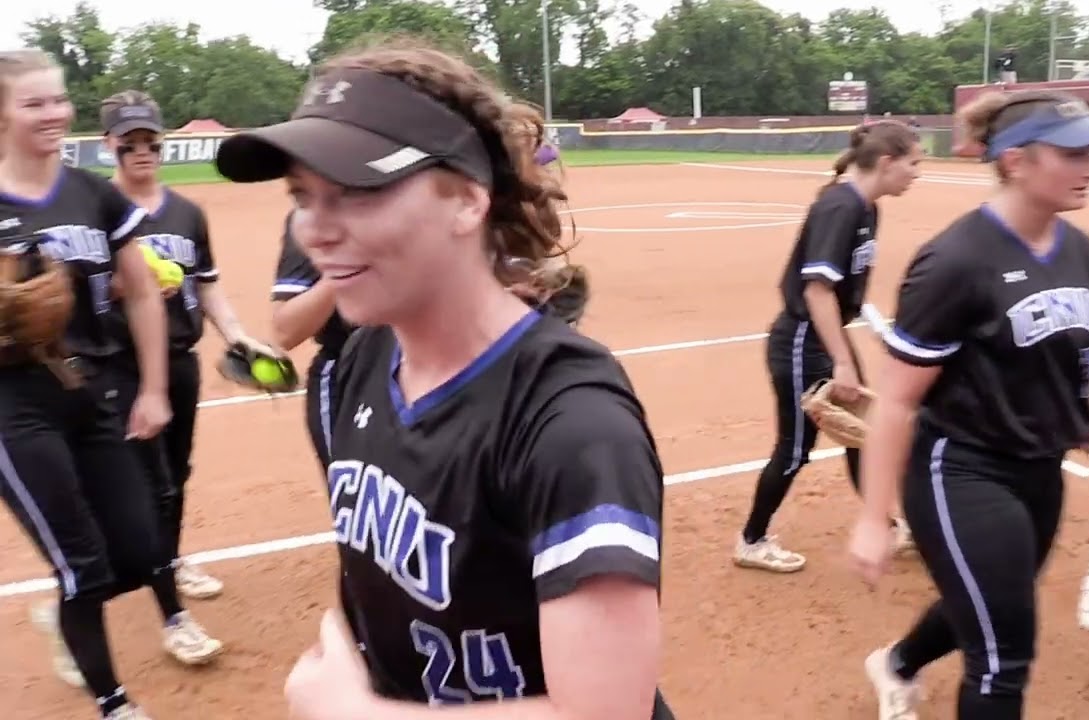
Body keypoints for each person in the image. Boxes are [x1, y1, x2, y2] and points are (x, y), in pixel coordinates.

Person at [214, 37, 674, 719]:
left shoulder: (572, 424)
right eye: (303, 197)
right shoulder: (369, 357)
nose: (314, 230)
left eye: (355, 193)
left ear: (465, 200)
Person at [848, 90, 1089, 720]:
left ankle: (897, 664)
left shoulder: (1086, 257)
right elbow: (899, 403)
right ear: (1016, 161)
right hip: (960, 469)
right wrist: (875, 517)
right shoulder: (956, 261)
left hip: (1039, 471)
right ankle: (907, 667)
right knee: (1004, 655)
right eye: (1071, 153)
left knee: (990, 600)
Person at [0, 50, 222, 720]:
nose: (53, 113)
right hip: (15, 404)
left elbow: (145, 294)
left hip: (94, 390)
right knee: (82, 566)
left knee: (143, 546)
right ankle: (115, 704)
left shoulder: (93, 191)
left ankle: (65, 609)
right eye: (34, 102)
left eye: (58, 99)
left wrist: (153, 388)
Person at [96, 88, 278, 600]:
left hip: (178, 362)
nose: (141, 151)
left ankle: (169, 563)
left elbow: (210, 285)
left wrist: (238, 335)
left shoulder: (188, 214)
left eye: (149, 141)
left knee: (175, 473)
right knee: (130, 479)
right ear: (109, 145)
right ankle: (113, 573)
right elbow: (76, 293)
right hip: (116, 365)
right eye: (129, 142)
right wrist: (120, 288)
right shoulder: (97, 209)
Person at [734, 121, 922, 574]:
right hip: (803, 339)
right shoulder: (840, 206)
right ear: (886, 162)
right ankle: (751, 539)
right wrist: (841, 360)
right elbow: (817, 290)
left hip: (826, 333)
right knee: (796, 447)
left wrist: (869, 325)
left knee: (860, 434)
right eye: (913, 163)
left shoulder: (867, 207)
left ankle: (886, 524)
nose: (917, 173)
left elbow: (842, 288)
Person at [271, 210, 353, 470]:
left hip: (429, 373)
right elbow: (286, 331)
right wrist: (342, 269)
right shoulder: (311, 221)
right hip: (346, 374)